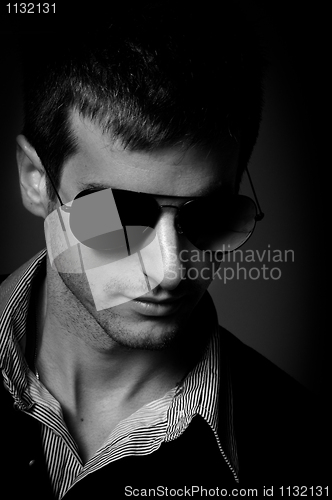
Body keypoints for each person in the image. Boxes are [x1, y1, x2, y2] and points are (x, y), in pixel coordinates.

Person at [0, 3, 328, 499]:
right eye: (119, 216)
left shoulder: (305, 451)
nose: (172, 269)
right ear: (36, 181)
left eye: (210, 218)